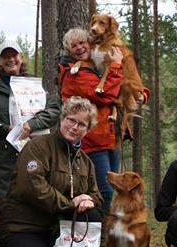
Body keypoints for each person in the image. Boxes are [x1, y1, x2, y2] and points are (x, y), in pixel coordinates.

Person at [1, 96, 103, 247]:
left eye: (81, 124)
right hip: (25, 226)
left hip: (57, 228)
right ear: (62, 119)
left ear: (88, 130)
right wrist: (71, 204)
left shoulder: (85, 162)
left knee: (91, 213)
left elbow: (96, 195)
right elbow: (32, 188)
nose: (74, 127)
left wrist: (89, 200)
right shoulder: (38, 146)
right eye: (71, 120)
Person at [0, 40, 61, 202]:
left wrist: (32, 125)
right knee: (1, 204)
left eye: (14, 55)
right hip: (1, 157)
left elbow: (54, 110)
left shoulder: (34, 84)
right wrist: (6, 129)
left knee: (34, 199)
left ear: (21, 57)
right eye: (5, 56)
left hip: (34, 152)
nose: (11, 60)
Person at [58, 28, 124, 214]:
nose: (79, 48)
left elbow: (124, 85)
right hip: (93, 141)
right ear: (69, 50)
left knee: (112, 189)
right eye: (74, 45)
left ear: (89, 43)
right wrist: (117, 66)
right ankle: (101, 238)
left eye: (82, 43)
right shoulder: (74, 73)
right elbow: (104, 95)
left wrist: (142, 93)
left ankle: (108, 234)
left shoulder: (95, 65)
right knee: (105, 192)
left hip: (110, 137)